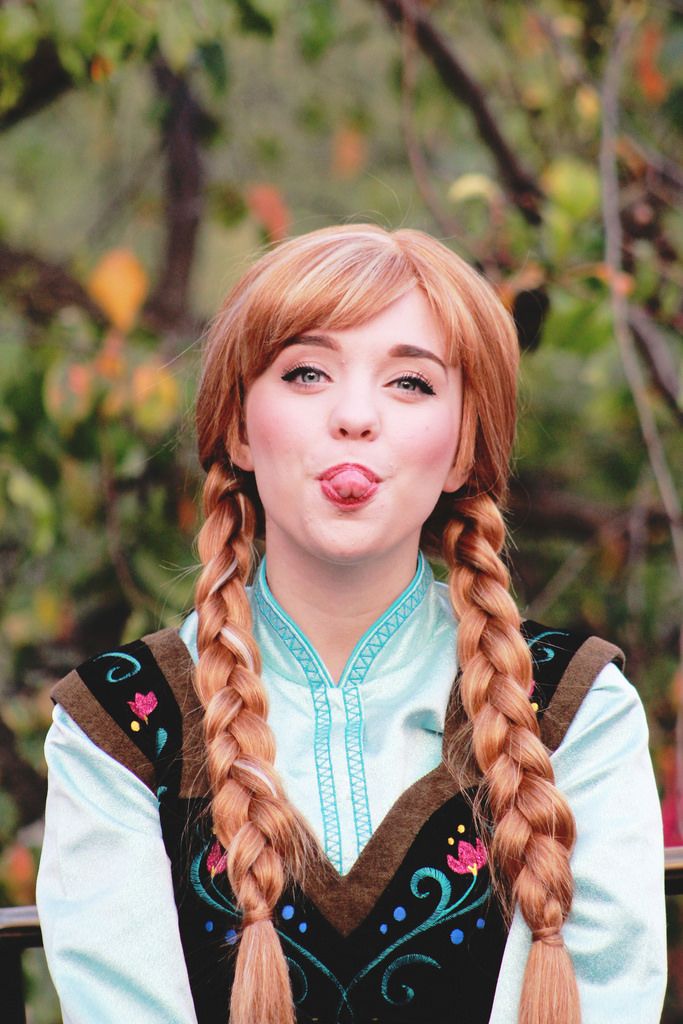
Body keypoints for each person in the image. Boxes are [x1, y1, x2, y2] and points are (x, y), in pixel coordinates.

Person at [36, 224, 666, 1024]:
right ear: (237, 429)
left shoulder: (575, 709)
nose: (355, 416)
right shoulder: (120, 726)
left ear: (464, 447)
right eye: (305, 373)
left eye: (409, 383)